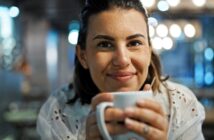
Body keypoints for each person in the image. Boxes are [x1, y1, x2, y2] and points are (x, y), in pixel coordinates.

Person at [37, 0, 205, 139]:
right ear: (83, 56)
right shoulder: (58, 113)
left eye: (134, 43)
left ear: (148, 50)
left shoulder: (180, 107)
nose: (122, 60)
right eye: (104, 44)